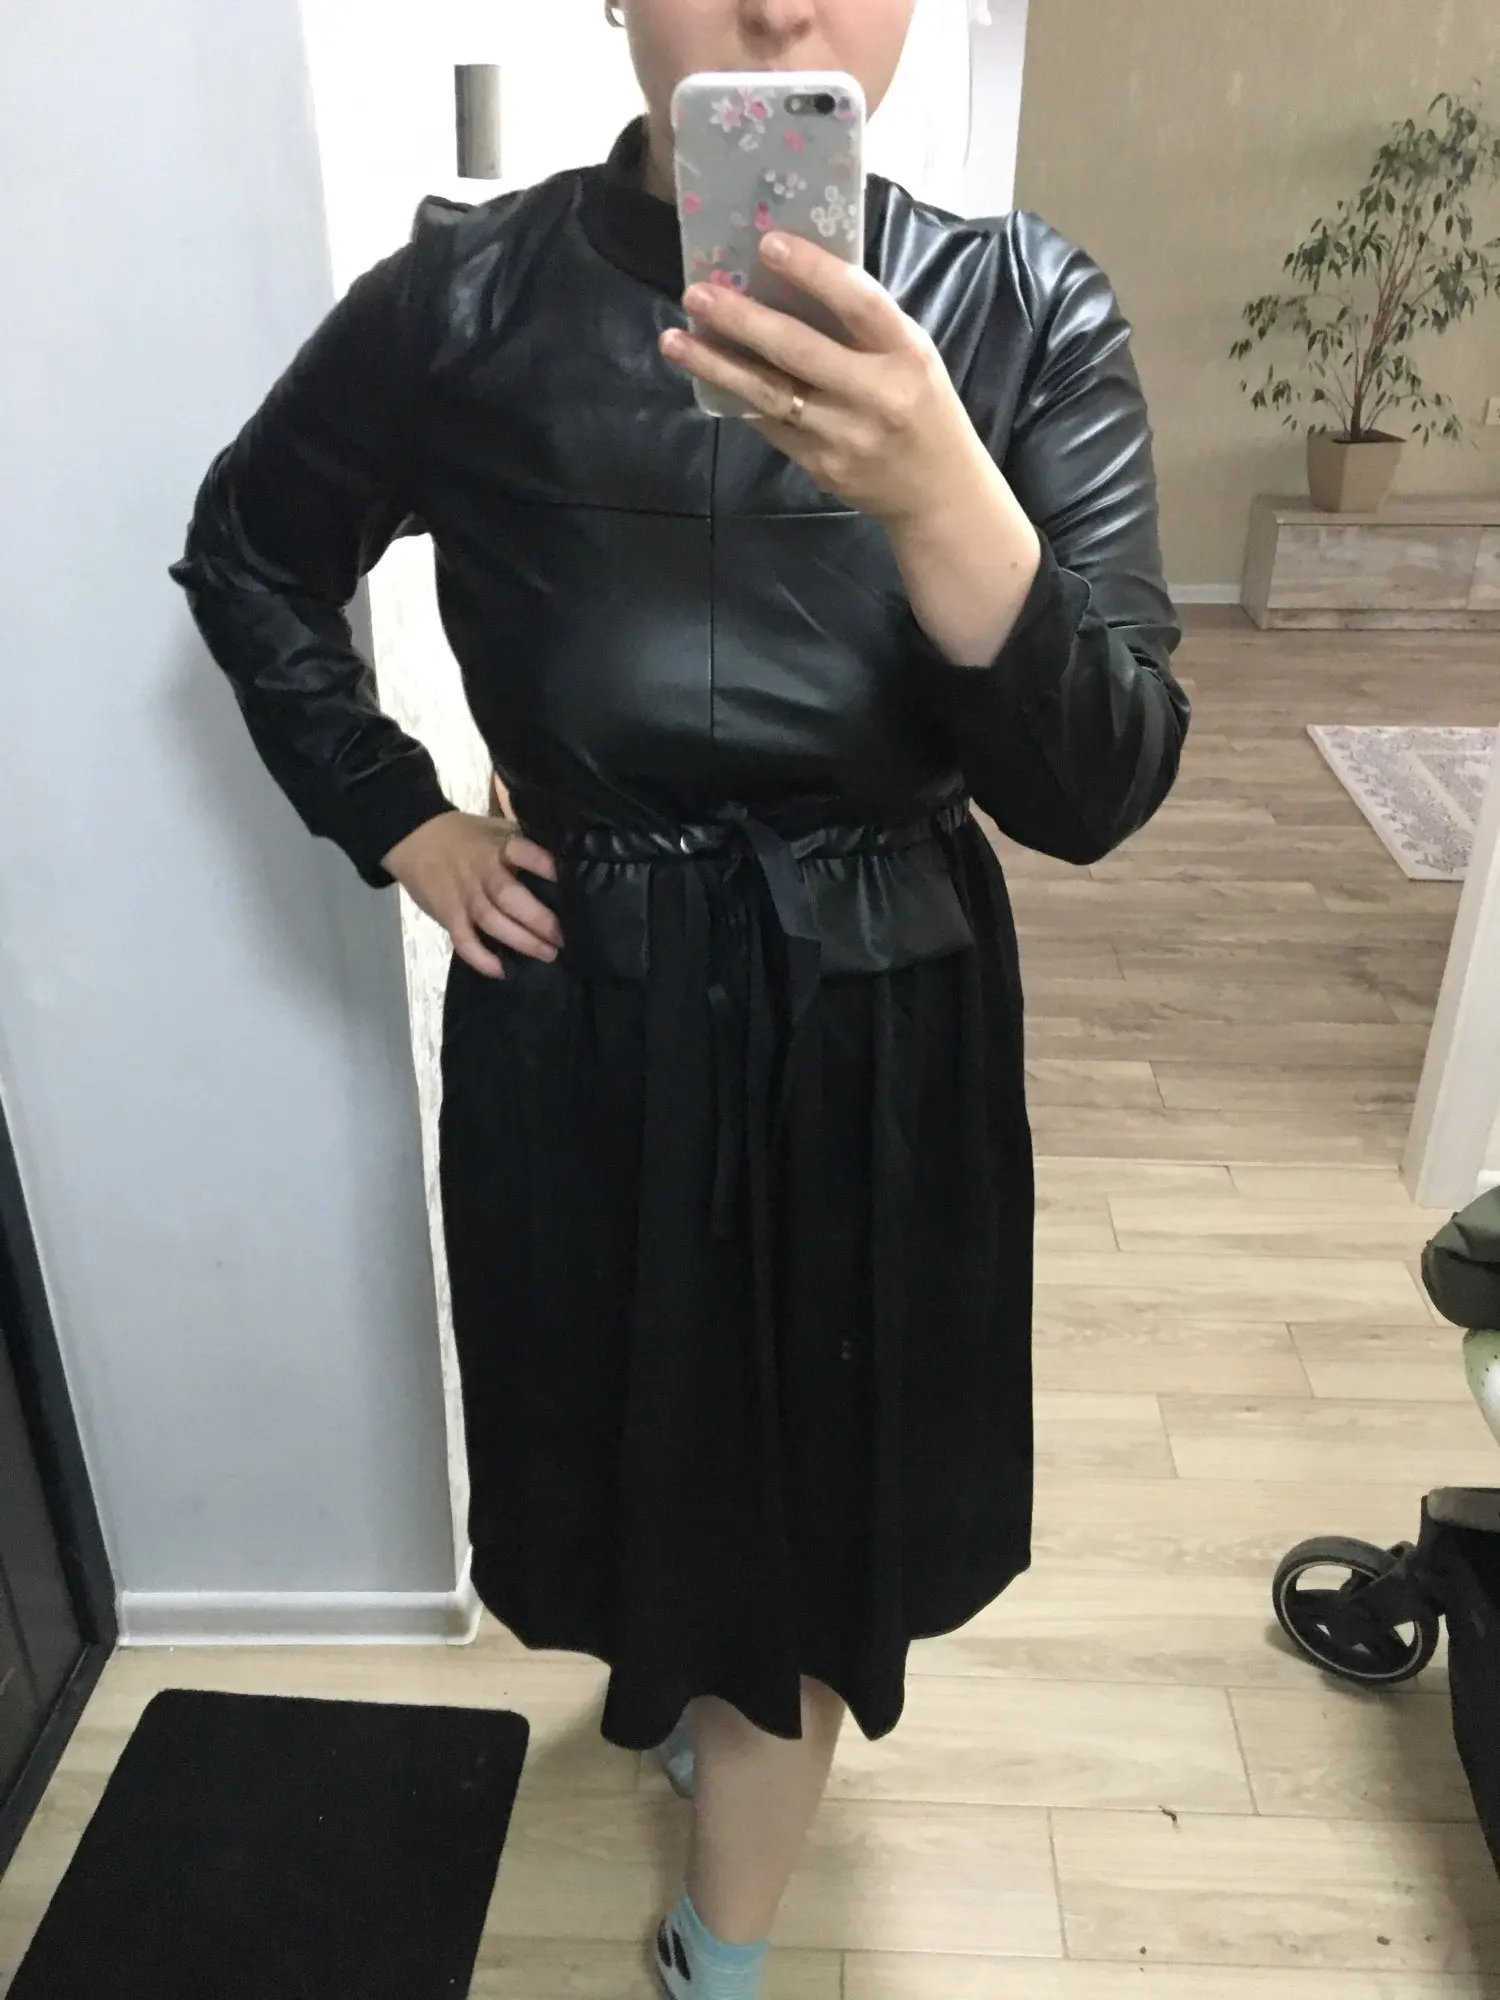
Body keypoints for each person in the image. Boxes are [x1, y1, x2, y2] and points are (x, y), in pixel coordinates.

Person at [169, 0, 1190, 1992]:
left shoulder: (1023, 311)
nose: (785, 5)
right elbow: (250, 551)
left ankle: (724, 1941)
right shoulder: (463, 300)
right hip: (586, 994)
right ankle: (683, 1682)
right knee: (618, 1419)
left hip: (876, 1007)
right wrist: (396, 816)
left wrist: (940, 489)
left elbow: (1102, 784)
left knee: (818, 1485)